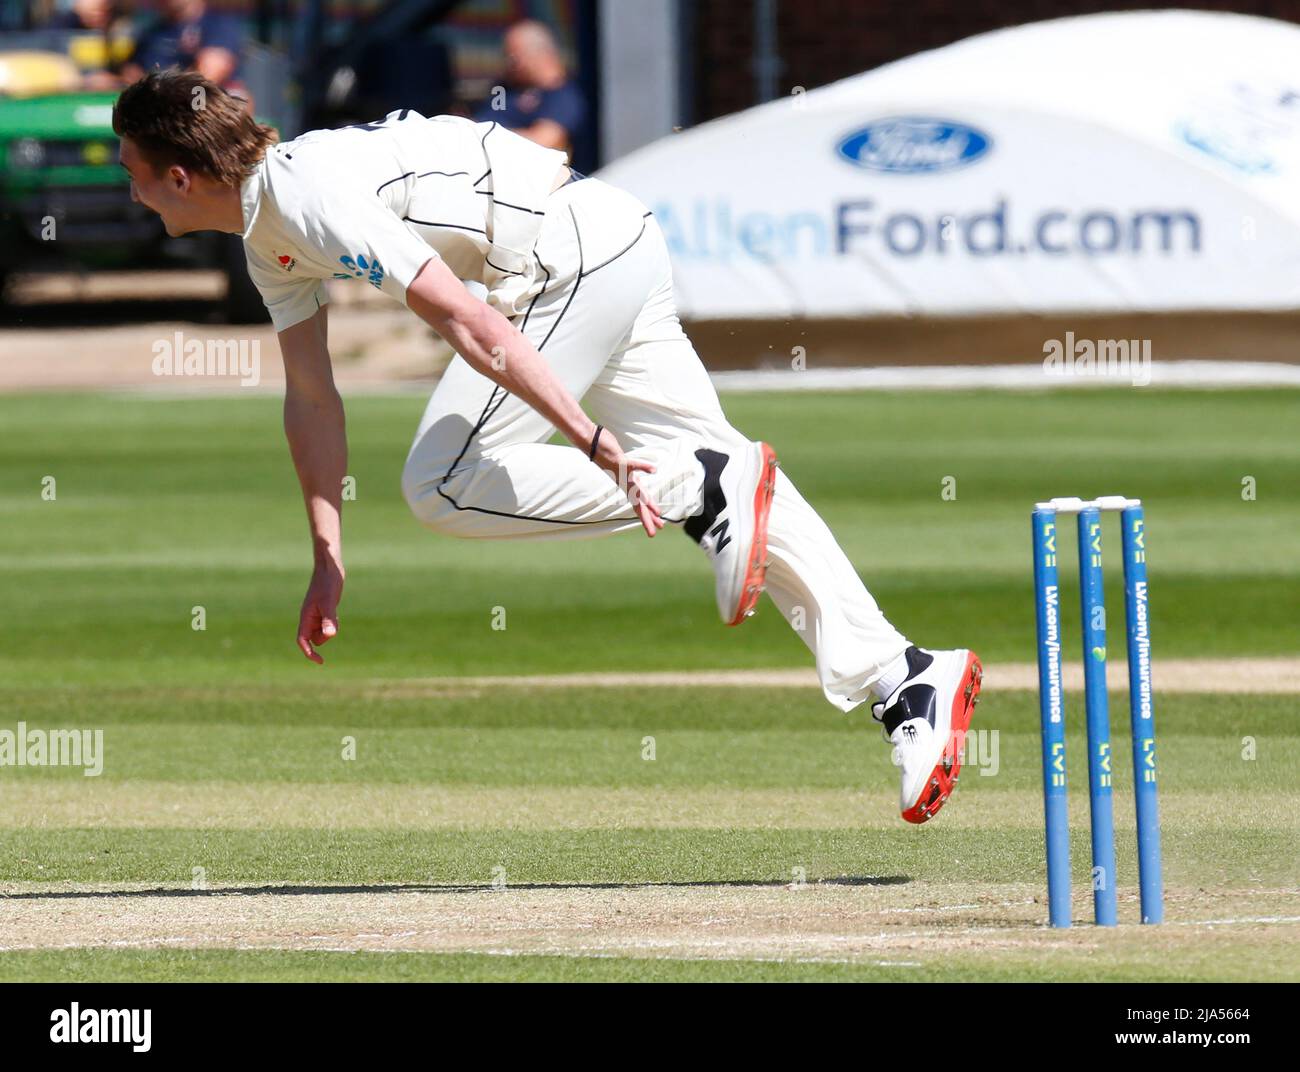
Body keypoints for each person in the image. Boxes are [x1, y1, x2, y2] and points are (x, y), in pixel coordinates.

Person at [110, 71, 981, 825]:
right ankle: (905, 676)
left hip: (564, 262)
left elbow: (470, 323)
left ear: (181, 175)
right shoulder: (272, 232)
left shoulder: (306, 198)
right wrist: (327, 549)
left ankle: (699, 485)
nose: (133, 190)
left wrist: (592, 440)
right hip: (604, 240)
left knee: (444, 484)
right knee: (743, 507)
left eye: (135, 174)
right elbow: (311, 395)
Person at [473, 20, 587, 155]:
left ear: (538, 54)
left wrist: (486, 137)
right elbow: (480, 123)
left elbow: (544, 142)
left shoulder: (563, 96)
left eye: (514, 58)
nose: (509, 64)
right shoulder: (504, 89)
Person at [120, 0, 248, 100]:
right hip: (161, 109)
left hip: (203, 104)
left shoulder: (218, 23)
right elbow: (130, 74)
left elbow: (209, 74)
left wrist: (160, 88)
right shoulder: (152, 33)